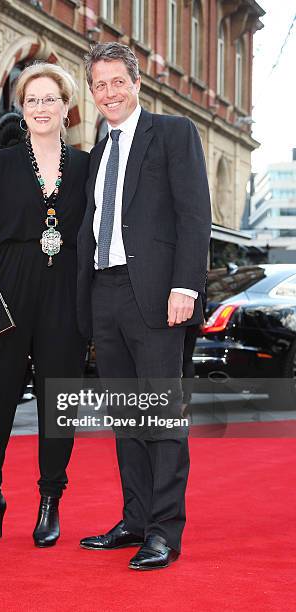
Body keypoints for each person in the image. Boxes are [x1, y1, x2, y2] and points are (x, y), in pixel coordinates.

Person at [77, 43, 211, 570]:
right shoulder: (98, 149)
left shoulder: (174, 133)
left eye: (117, 82)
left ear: (136, 84)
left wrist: (186, 287)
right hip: (105, 294)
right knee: (126, 418)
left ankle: (164, 530)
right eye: (99, 85)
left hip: (157, 298)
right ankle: (134, 518)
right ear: (91, 93)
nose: (109, 93)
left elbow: (194, 215)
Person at [0, 63, 89, 548]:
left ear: (66, 106)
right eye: (31, 100)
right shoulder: (4, 164)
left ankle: (50, 500)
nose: (40, 108)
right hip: (6, 290)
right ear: (21, 108)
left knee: (59, 403)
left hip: (64, 294)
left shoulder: (86, 164)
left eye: (49, 99)